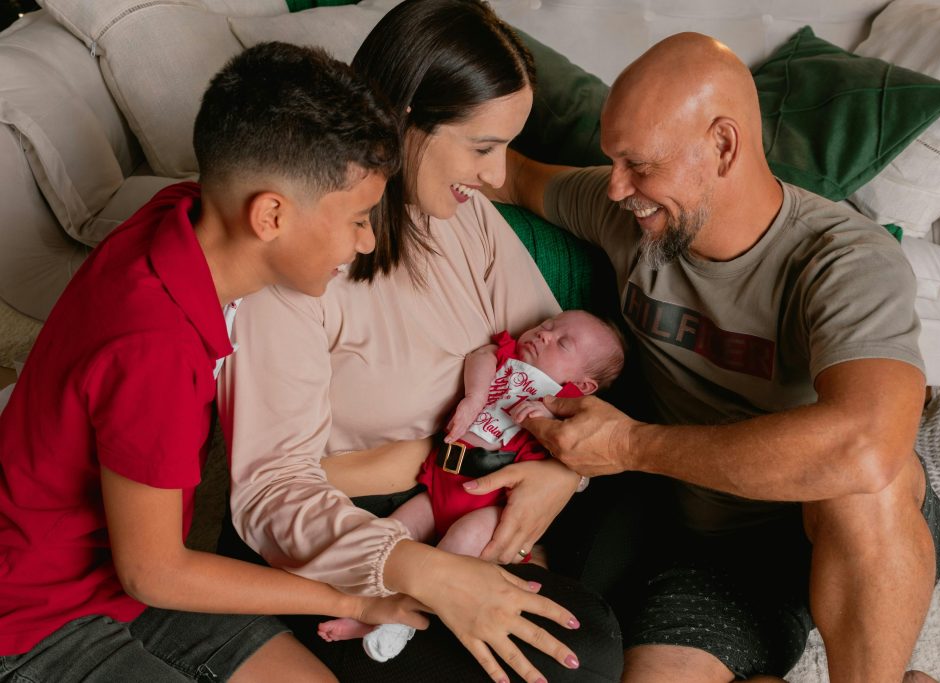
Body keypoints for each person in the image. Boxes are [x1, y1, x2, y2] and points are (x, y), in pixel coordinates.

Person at [490, 32, 940, 683]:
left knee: (868, 478)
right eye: (613, 161)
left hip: (851, 536)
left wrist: (627, 445)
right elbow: (508, 172)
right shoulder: (623, 214)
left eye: (640, 165)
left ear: (724, 146)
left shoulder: (844, 257)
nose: (618, 187)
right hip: (709, 547)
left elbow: (869, 445)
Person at [216, 1, 624, 682]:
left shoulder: (462, 218)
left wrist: (560, 472)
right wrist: (427, 569)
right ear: (406, 121)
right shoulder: (300, 254)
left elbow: (563, 370)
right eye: (483, 147)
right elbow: (267, 492)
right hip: (350, 531)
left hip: (480, 484)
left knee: (652, 500)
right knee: (583, 653)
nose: (497, 176)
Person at [0, 42, 430, 683]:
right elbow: (155, 571)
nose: (367, 242)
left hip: (116, 579)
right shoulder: (154, 349)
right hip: (34, 621)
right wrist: (352, 598)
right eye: (360, 220)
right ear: (271, 215)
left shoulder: (178, 213)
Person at [318, 310, 625, 660]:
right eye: (547, 326)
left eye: (562, 343)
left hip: (491, 506)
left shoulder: (567, 401)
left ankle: (401, 621)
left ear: (584, 385)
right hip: (441, 486)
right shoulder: (507, 358)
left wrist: (550, 424)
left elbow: (585, 457)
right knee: (392, 533)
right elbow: (482, 356)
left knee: (456, 548)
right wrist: (475, 396)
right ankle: (362, 606)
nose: (544, 335)